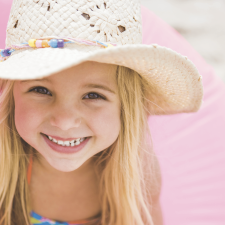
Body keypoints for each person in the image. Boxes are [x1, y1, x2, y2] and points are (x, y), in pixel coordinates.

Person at [0, 0, 203, 224]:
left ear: (125, 107)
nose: (65, 121)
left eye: (93, 96)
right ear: (10, 94)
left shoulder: (139, 175)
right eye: (41, 90)